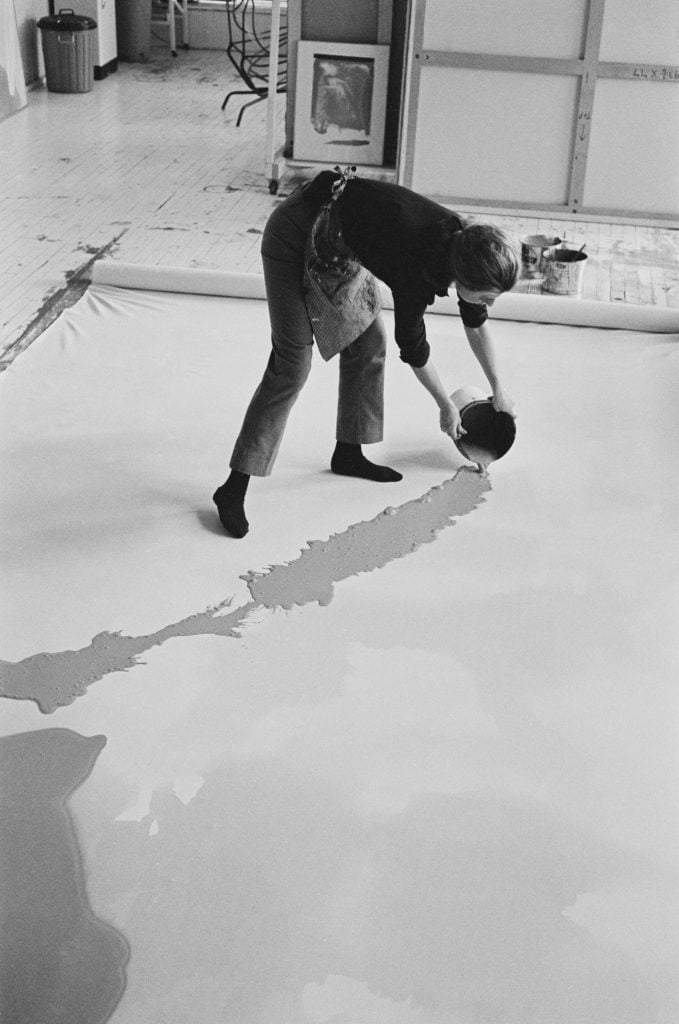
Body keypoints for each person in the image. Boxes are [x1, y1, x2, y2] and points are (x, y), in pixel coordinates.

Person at [213, 167, 519, 538]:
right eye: (487, 295)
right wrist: (445, 404)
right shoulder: (416, 268)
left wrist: (498, 387)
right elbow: (415, 348)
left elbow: (475, 321)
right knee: (292, 364)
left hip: (339, 244)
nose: (489, 303)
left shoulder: (461, 248)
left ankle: (349, 452)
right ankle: (233, 487)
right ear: (465, 278)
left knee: (368, 339)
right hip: (295, 235)